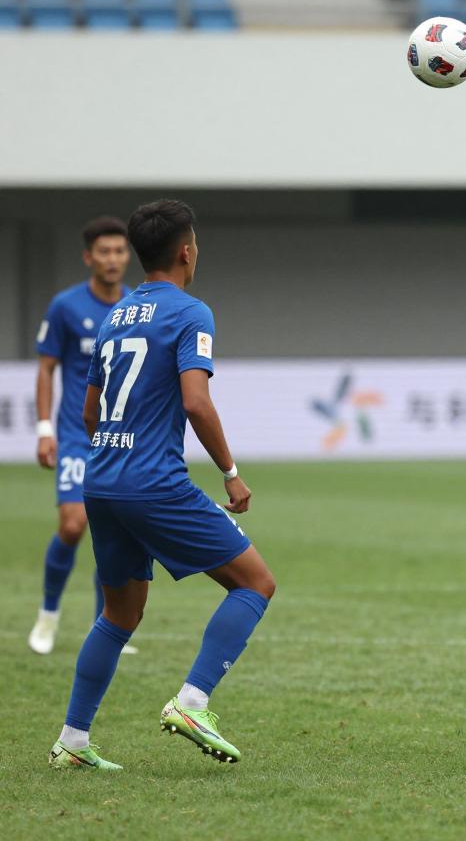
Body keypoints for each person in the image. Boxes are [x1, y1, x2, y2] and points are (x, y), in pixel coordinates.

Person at [49, 199, 276, 770]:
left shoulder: (115, 315)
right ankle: (193, 702)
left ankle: (72, 740)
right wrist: (230, 472)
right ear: (186, 253)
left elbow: (90, 410)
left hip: (102, 480)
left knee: (118, 615)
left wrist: (117, 455)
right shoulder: (191, 313)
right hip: (153, 483)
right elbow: (196, 402)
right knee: (255, 583)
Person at [29, 216, 136, 656]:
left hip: (120, 438)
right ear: (88, 257)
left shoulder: (136, 307)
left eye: (120, 251)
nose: (113, 259)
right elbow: (46, 369)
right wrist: (44, 429)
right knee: (73, 525)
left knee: (116, 534)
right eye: (104, 251)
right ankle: (48, 615)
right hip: (76, 433)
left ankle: (104, 627)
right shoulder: (66, 306)